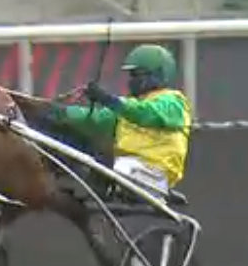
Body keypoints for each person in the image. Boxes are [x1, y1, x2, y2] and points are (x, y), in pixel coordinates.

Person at [52, 44, 192, 194]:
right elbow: (96, 119)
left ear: (157, 74)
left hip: (154, 175)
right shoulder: (129, 105)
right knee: (83, 148)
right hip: (127, 170)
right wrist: (59, 112)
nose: (132, 80)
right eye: (131, 75)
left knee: (109, 163)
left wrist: (107, 99)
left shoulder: (173, 101)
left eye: (137, 74)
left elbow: (143, 113)